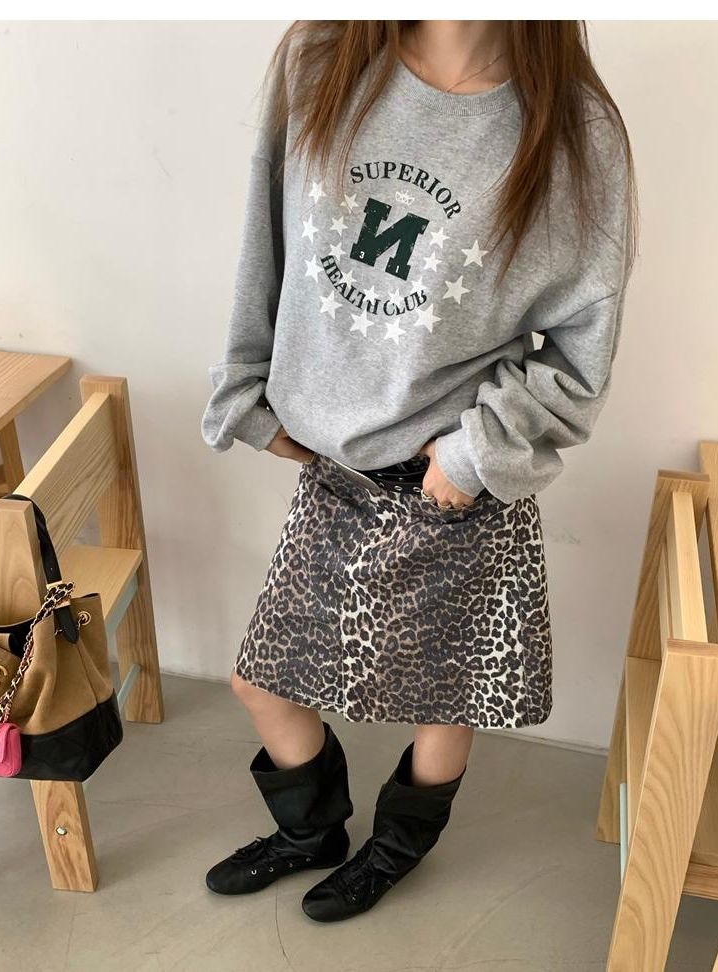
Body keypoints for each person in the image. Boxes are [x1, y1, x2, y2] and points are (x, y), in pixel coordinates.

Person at [200, 20, 638, 923]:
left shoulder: (573, 127)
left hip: (456, 480)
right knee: (262, 679)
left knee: (448, 689)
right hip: (339, 474)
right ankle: (310, 832)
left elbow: (580, 350)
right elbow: (263, 238)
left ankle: (398, 847)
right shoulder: (322, 61)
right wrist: (246, 388)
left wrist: (475, 454)